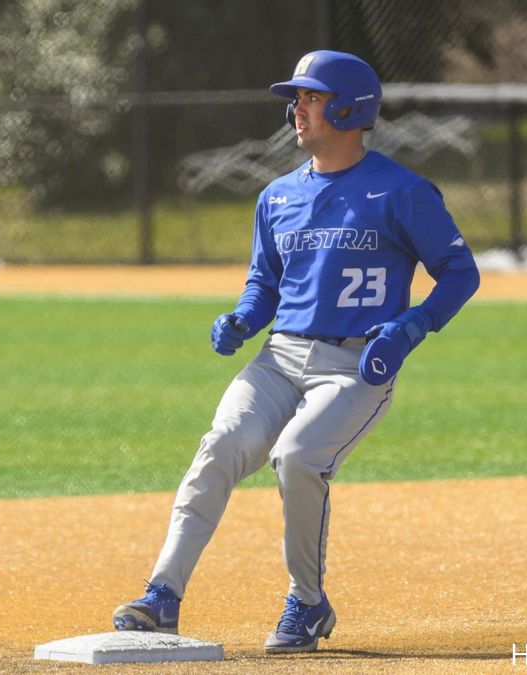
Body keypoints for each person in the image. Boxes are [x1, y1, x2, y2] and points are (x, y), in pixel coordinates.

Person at [111, 50, 481, 653]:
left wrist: (412, 328)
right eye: (299, 98)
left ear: (347, 107)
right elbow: (266, 283)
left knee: (299, 457)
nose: (297, 108)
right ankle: (161, 596)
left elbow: (459, 272)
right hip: (279, 359)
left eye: (310, 97)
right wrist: (242, 319)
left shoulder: (401, 191)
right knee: (220, 449)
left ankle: (307, 604)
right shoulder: (277, 195)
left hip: (356, 367)